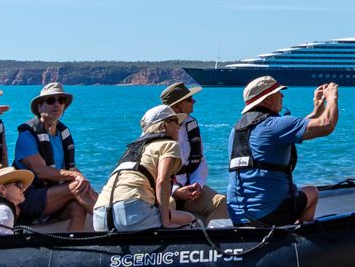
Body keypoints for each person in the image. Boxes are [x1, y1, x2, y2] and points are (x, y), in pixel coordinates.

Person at [97, 106, 229, 231]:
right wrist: (166, 221)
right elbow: (162, 180)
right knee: (189, 219)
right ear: (165, 125)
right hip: (133, 212)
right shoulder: (169, 145)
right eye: (176, 122)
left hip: (100, 215)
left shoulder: (131, 149)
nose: (178, 126)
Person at [229, 77, 339, 225]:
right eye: (278, 92)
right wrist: (332, 98)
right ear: (266, 100)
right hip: (267, 215)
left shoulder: (237, 129)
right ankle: (300, 236)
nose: (282, 96)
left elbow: (294, 129)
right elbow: (326, 125)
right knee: (312, 192)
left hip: (239, 216)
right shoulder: (273, 125)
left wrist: (317, 109)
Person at [14, 82, 95, 230]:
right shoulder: (27, 136)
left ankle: (72, 249)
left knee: (77, 208)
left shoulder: (63, 134)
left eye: (61, 100)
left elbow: (68, 167)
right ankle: (112, 225)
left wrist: (84, 180)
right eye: (51, 100)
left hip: (54, 196)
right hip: (29, 198)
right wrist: (76, 177)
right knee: (77, 186)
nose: (56, 105)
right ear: (39, 107)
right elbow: (41, 171)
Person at [158, 82, 230, 226]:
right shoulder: (157, 128)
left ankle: (218, 244)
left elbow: (200, 159)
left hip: (191, 188)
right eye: (189, 99)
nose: (194, 101)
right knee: (169, 204)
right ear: (178, 105)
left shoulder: (192, 124)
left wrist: (197, 185)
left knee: (220, 201)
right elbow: (154, 172)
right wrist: (175, 191)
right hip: (167, 192)